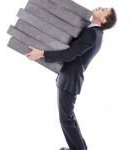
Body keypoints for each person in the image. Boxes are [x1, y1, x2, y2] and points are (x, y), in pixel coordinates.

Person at [25, 7, 117, 150]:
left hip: (70, 79)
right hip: (68, 77)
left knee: (67, 119)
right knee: (68, 118)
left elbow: (70, 54)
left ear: (103, 19)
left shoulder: (93, 33)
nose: (99, 7)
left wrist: (42, 53)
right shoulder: (93, 31)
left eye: (103, 10)